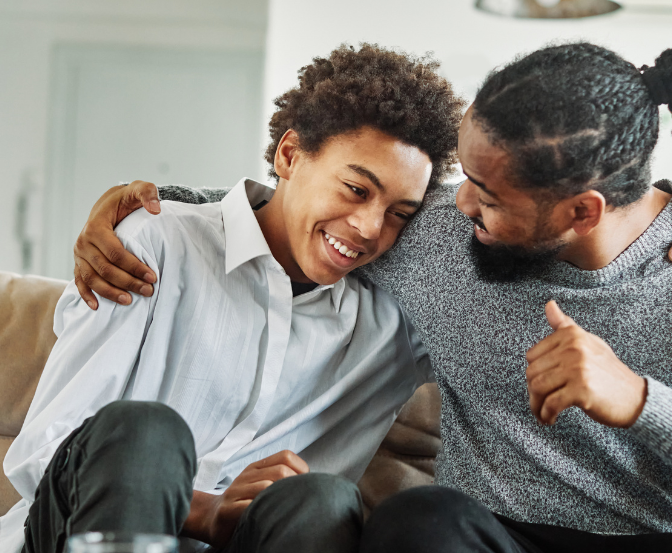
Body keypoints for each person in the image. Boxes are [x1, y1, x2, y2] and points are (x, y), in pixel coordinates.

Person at [68, 38, 672, 552]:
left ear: (581, 211)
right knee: (414, 519)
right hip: (475, 536)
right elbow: (299, 212)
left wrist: (640, 400)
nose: (458, 207)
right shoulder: (436, 233)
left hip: (660, 540)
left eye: (489, 196)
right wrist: (141, 207)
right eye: (461, 177)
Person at [0, 44, 465, 553]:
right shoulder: (153, 243)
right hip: (83, 530)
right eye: (356, 189)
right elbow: (43, 452)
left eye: (400, 212)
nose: (370, 229)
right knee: (146, 432)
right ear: (289, 155)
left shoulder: (399, 322)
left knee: (322, 499)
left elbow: (492, 220)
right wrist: (204, 510)